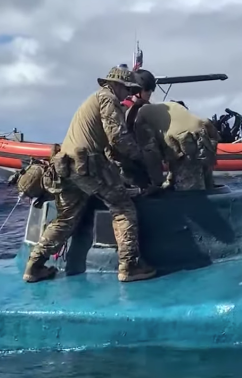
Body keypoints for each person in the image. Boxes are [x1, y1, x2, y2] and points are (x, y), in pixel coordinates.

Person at [16, 66, 158, 284]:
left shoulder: (94, 99)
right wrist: (141, 158)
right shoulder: (108, 99)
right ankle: (130, 266)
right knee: (123, 207)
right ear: (118, 85)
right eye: (128, 89)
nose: (129, 94)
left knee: (65, 219)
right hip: (88, 165)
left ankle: (34, 266)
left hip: (66, 167)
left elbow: (105, 142)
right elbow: (117, 138)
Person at [132, 96, 220, 191]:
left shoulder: (140, 119)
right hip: (203, 138)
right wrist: (170, 180)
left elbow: (151, 153)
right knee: (207, 186)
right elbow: (174, 158)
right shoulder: (162, 110)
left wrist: (157, 184)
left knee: (190, 193)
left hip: (187, 143)